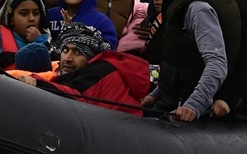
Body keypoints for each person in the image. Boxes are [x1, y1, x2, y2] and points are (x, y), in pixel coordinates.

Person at [143, 0, 241, 122]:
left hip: (191, 113)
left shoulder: (198, 8)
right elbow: (180, 61)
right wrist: (156, 94)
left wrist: (193, 105)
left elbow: (217, 64)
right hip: (173, 98)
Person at [20, 23, 153, 115]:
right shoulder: (101, 70)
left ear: (91, 58)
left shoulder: (101, 71)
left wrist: (36, 82)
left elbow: (73, 94)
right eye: (65, 50)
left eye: (78, 52)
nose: (68, 58)